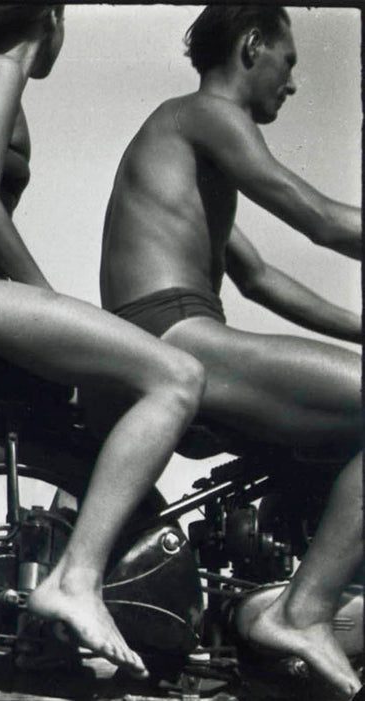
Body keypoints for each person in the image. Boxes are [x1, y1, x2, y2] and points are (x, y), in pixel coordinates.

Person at [0, 4, 206, 677]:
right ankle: (76, 580)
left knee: (95, 398)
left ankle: (66, 578)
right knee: (175, 376)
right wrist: (44, 294)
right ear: (52, 17)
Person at [98, 6, 361, 697]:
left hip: (170, 329)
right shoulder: (208, 115)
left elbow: (261, 279)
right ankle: (304, 613)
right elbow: (321, 220)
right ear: (253, 47)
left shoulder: (190, 139)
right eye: (290, 61)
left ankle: (273, 592)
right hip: (176, 334)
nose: (294, 83)